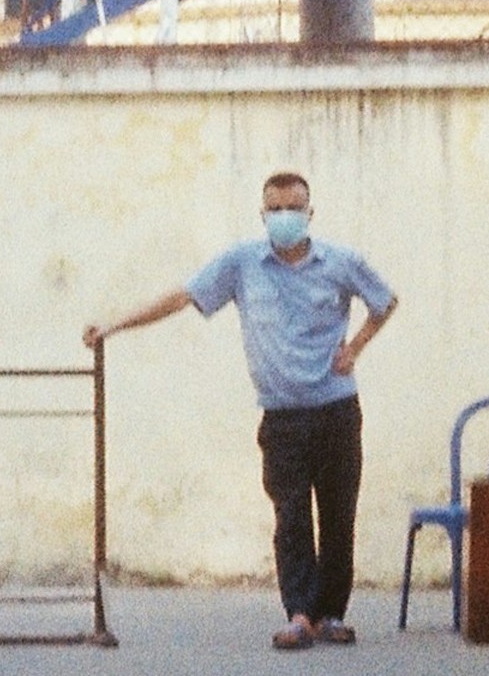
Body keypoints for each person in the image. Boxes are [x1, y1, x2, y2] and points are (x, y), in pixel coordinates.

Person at [87, 172, 397, 648]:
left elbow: (384, 300)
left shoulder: (340, 262)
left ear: (310, 214)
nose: (285, 217)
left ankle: (332, 613)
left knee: (338, 515)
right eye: (275, 209)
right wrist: (113, 324)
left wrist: (355, 347)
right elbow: (182, 296)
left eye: (293, 208)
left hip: (335, 409)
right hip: (281, 415)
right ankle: (300, 614)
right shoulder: (242, 264)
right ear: (263, 214)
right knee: (290, 516)